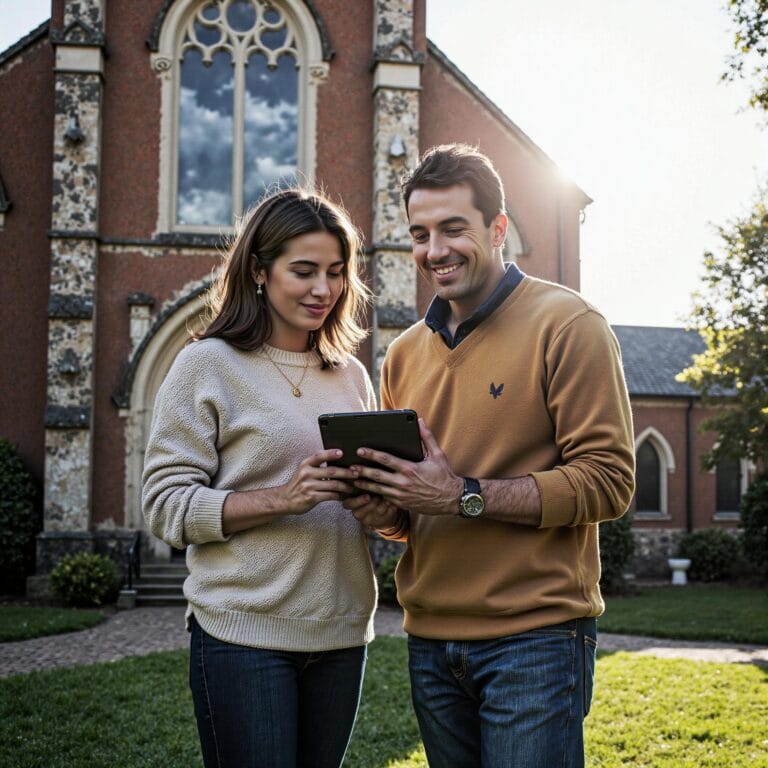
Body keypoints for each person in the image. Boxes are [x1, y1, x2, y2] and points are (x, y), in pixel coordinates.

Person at [345, 144, 636, 768]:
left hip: (536, 640)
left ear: (498, 228)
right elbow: (414, 514)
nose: (435, 250)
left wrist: (462, 495)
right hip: (430, 643)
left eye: (454, 229)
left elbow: (609, 482)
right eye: (420, 234)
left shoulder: (570, 324)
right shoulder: (402, 355)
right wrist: (379, 508)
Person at [142, 188, 392, 768]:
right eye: (303, 271)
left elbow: (373, 512)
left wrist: (377, 505)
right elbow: (164, 506)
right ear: (259, 271)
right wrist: (284, 497)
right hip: (242, 634)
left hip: (340, 633)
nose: (323, 289)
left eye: (336, 272)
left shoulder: (352, 376)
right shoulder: (207, 364)